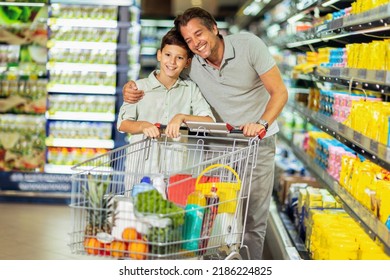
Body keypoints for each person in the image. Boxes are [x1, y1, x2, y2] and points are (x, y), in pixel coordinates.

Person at [122, 8, 288, 260]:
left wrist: (262, 123)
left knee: (252, 219)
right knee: (209, 215)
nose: (195, 43)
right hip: (214, 145)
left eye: (198, 34)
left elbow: (279, 92)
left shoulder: (250, 46)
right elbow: (167, 73)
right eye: (189, 40)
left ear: (214, 28)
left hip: (256, 143)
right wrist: (130, 89)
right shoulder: (192, 63)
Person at [117, 28, 215, 140]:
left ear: (187, 62)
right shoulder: (138, 87)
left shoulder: (190, 89)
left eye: (179, 58)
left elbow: (209, 121)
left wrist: (182, 117)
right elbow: (122, 124)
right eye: (168, 55)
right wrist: (143, 125)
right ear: (159, 55)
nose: (172, 62)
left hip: (175, 156)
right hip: (143, 156)